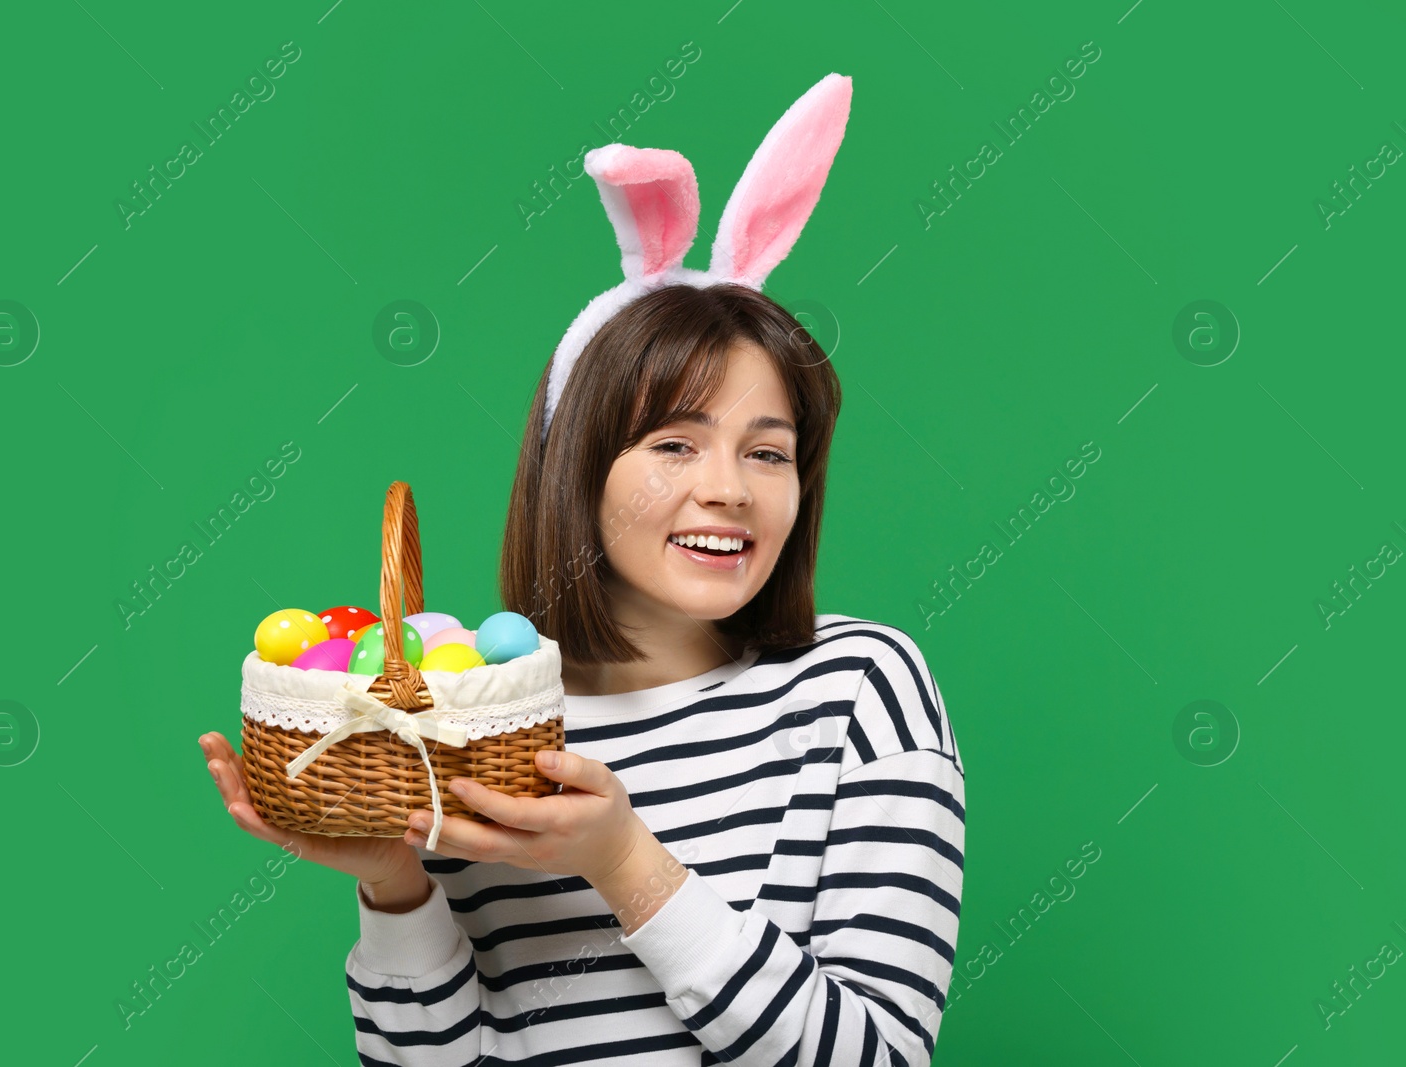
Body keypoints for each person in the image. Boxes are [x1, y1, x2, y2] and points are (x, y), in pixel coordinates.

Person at [200, 74, 965, 1065]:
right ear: (579, 467)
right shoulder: (483, 717)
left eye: (768, 452)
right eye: (674, 445)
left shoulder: (858, 687)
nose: (729, 488)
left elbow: (877, 1056)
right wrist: (395, 883)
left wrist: (621, 859)